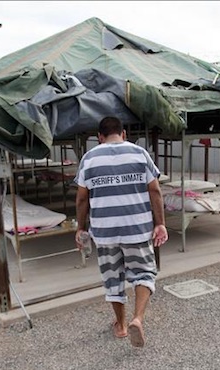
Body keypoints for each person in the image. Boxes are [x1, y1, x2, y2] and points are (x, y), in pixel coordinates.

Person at [74, 116, 168, 348]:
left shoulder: (89, 158)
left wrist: (81, 228)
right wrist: (160, 223)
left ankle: (122, 325)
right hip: (137, 228)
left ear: (100, 137)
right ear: (123, 134)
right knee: (144, 273)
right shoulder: (139, 153)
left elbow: (82, 198)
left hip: (105, 231)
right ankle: (138, 318)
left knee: (112, 278)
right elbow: (155, 190)